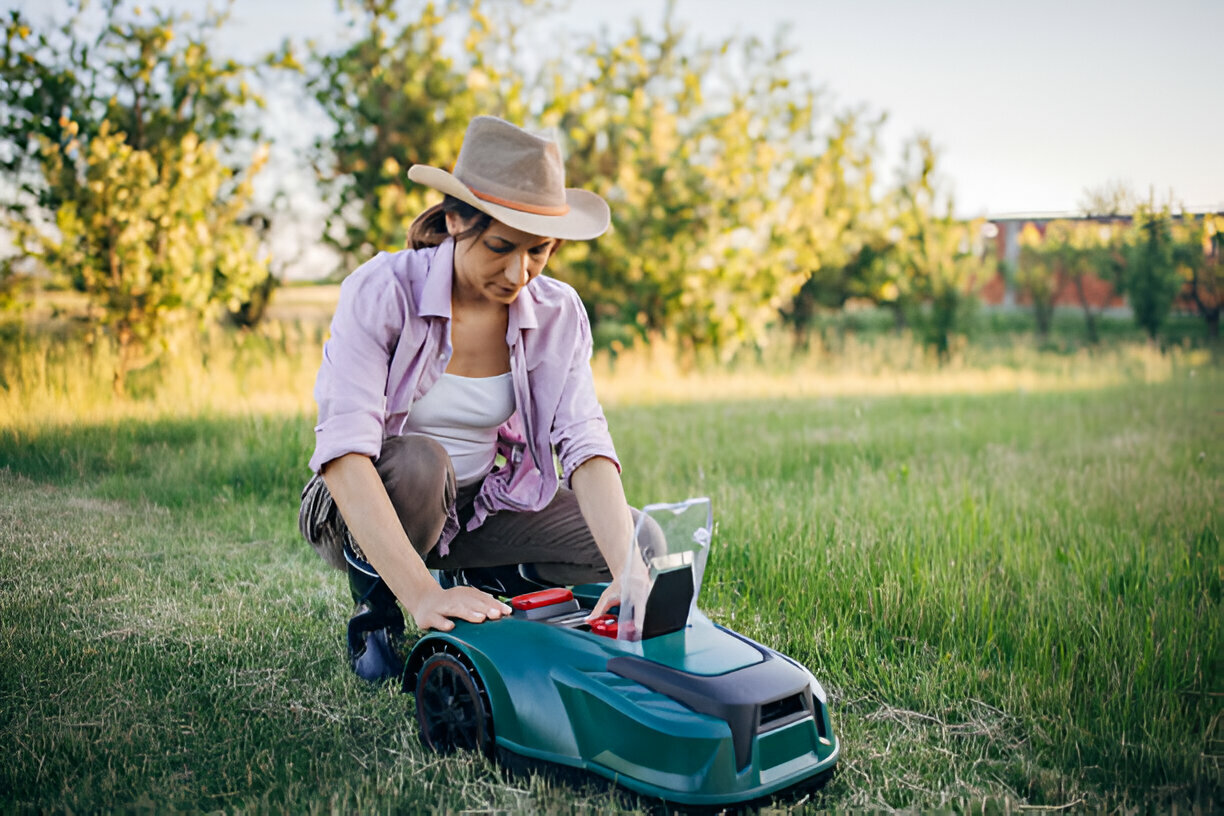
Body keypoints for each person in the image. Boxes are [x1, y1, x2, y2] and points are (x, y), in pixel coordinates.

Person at [298, 115, 638, 682]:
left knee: (632, 536)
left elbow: (584, 442)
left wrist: (629, 569)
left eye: (540, 251)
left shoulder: (557, 313)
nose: (518, 273)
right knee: (421, 463)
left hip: (482, 503)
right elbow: (343, 455)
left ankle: (497, 585)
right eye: (502, 246)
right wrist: (422, 595)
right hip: (376, 502)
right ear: (455, 219)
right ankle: (379, 607)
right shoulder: (383, 290)